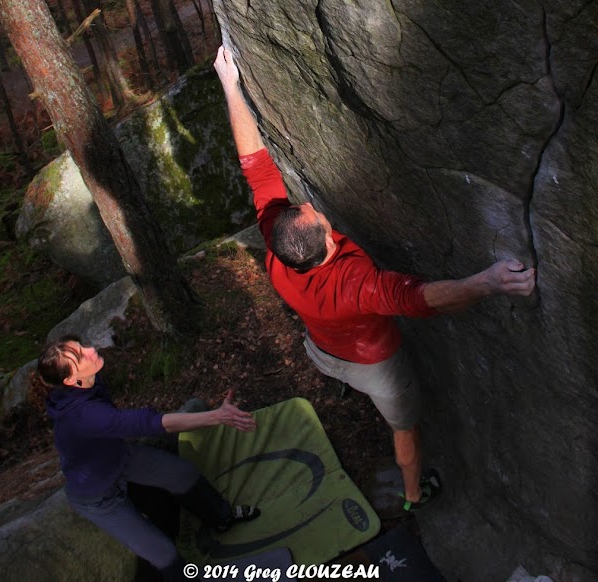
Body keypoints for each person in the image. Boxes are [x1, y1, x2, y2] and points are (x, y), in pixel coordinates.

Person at [214, 44, 535, 513]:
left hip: (323, 349)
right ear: (324, 247)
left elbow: (255, 166)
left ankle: (347, 387)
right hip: (376, 365)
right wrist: (489, 282)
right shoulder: (354, 283)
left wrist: (229, 84)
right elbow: (422, 298)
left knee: (340, 365)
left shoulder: (280, 247)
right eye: (317, 218)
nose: (311, 207)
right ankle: (412, 494)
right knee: (404, 426)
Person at [37, 335, 260, 580]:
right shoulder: (84, 415)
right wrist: (217, 416)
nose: (91, 350)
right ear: (70, 379)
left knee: (182, 474)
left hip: (119, 458)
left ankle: (221, 517)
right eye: (81, 356)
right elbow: (149, 423)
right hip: (98, 496)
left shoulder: (89, 381)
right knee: (164, 554)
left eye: (83, 346)